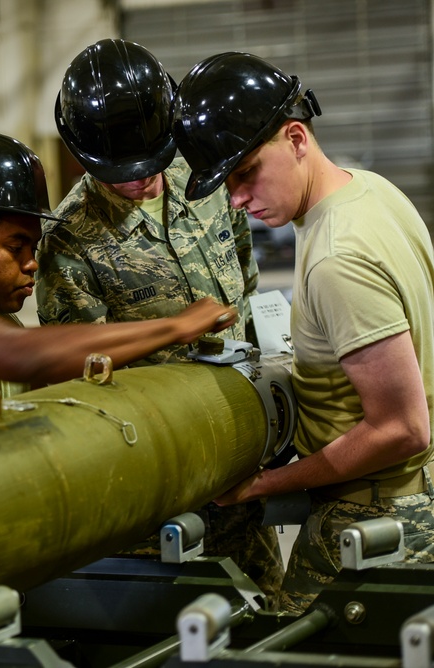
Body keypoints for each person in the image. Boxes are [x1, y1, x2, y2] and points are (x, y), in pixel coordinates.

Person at [172, 51, 434, 613]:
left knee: (285, 642)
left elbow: (403, 429)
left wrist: (265, 485)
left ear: (295, 138)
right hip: (409, 497)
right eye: (227, 184)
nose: (237, 200)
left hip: (373, 514)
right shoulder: (372, 191)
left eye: (245, 173)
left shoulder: (337, 257)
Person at [35, 39, 281, 606]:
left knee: (263, 624)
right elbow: (81, 380)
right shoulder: (70, 240)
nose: (142, 180)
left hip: (245, 471)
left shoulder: (206, 180)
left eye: (151, 163)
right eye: (121, 172)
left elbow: (245, 287)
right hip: (162, 501)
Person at [0, 132, 238, 425]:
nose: (32, 264)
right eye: (16, 246)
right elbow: (21, 354)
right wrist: (176, 328)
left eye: (34, 247)